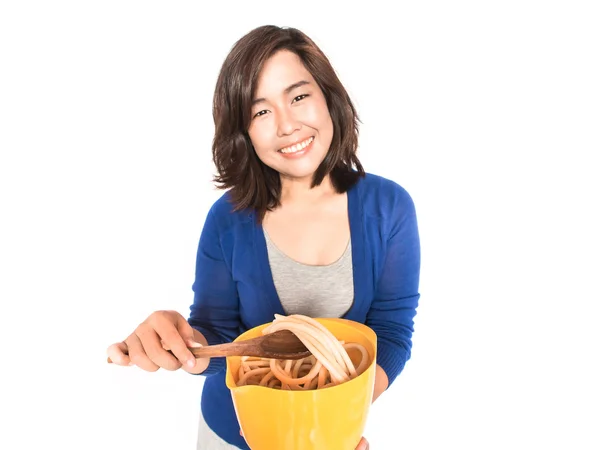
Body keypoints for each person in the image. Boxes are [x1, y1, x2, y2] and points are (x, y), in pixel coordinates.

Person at [106, 24, 421, 450]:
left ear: (328, 97)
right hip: (231, 435)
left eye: (298, 96)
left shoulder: (390, 208)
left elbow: (391, 331)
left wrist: (333, 415)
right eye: (261, 112)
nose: (287, 125)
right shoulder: (227, 220)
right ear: (245, 133)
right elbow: (215, 333)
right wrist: (183, 344)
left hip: (329, 438)